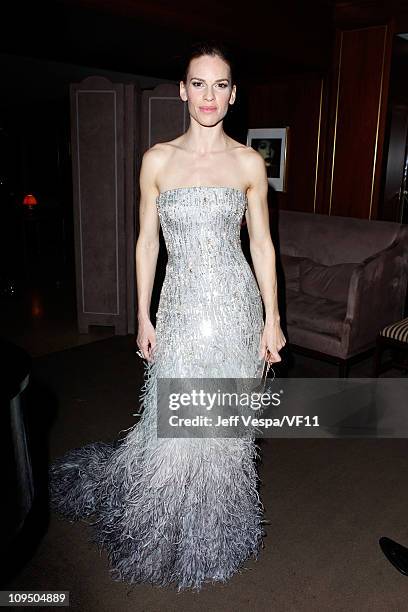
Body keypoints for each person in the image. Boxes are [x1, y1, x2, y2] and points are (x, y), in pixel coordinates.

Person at [49, 41, 286, 591]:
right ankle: (166, 523)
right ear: (183, 91)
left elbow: (263, 245)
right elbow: (147, 242)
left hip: (235, 308)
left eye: (220, 84)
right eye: (198, 84)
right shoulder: (157, 159)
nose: (209, 95)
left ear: (233, 94)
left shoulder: (250, 162)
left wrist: (271, 318)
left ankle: (216, 527)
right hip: (180, 308)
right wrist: (143, 314)